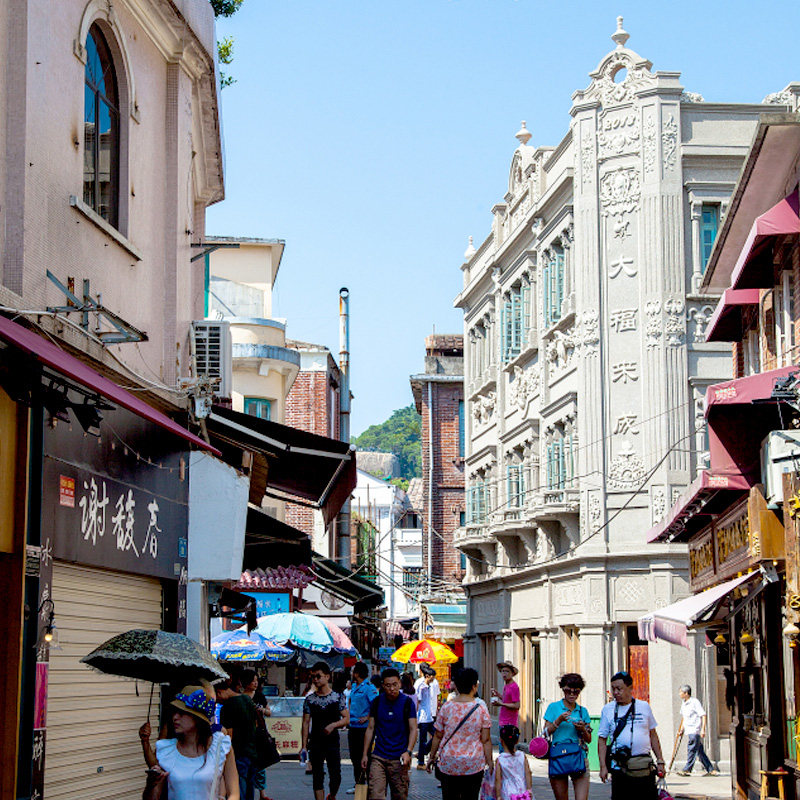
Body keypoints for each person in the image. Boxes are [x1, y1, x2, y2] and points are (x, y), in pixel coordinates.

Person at [151, 683, 240, 800]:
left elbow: (234, 793)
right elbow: (153, 796)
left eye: (182, 713)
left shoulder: (220, 745)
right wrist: (151, 783)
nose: (175, 717)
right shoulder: (167, 749)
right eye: (174, 712)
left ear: (198, 718)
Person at [426, 667, 493, 800]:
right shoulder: (481, 709)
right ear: (474, 686)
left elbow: (437, 736)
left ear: (456, 686)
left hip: (449, 763)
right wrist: (490, 762)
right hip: (473, 764)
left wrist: (431, 757)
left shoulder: (446, 707)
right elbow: (486, 740)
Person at [598, 671, 665, 800]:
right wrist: (603, 767)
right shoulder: (608, 710)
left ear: (630, 688)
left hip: (643, 767)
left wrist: (660, 760)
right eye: (613, 689)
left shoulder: (644, 706)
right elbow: (602, 740)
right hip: (620, 768)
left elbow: (653, 735)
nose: (616, 692)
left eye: (619, 689)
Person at [360, 668, 418, 800]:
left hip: (399, 759)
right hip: (378, 757)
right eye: (388, 685)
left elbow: (413, 728)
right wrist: (365, 754)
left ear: (400, 683)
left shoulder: (407, 703)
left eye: (395, 684)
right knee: (375, 795)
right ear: (383, 685)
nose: (392, 688)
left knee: (400, 795)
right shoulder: (377, 702)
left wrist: (408, 751)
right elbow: (370, 728)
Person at [301, 660, 350, 800]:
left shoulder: (337, 697)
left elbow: (347, 718)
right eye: (313, 677)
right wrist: (304, 746)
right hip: (315, 742)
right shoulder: (310, 700)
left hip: (332, 742)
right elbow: (305, 723)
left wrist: (334, 725)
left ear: (327, 676)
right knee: (317, 776)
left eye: (318, 676)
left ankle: (332, 795)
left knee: (335, 775)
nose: (315, 680)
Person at [542, 673, 591, 800]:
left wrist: (582, 729)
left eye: (576, 692)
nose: (572, 695)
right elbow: (545, 733)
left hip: (579, 756)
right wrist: (558, 720)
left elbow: (589, 739)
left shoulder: (582, 711)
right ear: (563, 689)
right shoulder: (553, 707)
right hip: (559, 756)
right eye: (568, 691)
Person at [221, 670, 260, 800]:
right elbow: (256, 724)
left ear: (221, 691)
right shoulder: (247, 699)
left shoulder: (227, 706)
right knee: (249, 788)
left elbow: (229, 735)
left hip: (238, 754)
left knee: (238, 789)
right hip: (252, 751)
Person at [346, 661, 379, 794]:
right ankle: (359, 784)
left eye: (353, 670)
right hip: (353, 726)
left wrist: (367, 717)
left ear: (357, 673)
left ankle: (370, 786)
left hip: (364, 728)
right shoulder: (354, 686)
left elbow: (376, 704)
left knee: (365, 757)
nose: (351, 673)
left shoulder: (369, 688)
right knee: (354, 757)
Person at [675, 685, 719, 777]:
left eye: (681, 692)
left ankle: (687, 769)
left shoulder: (694, 702)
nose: (679, 694)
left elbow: (703, 715)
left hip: (694, 730)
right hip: (688, 730)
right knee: (699, 751)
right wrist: (681, 729)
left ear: (686, 693)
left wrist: (703, 729)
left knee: (691, 749)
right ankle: (710, 769)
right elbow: (684, 718)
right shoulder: (684, 703)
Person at [494, 725, 533, 800]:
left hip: (507, 792)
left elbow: (497, 779)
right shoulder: (522, 756)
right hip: (522, 790)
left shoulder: (500, 760)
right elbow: (528, 773)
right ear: (517, 741)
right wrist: (529, 790)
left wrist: (498, 795)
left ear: (501, 740)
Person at [414, 665, 440, 770]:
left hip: (429, 716)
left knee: (436, 735)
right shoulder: (422, 686)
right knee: (423, 740)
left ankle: (424, 752)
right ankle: (421, 761)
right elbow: (418, 701)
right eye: (432, 677)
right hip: (423, 717)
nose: (433, 679)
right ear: (427, 676)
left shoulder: (429, 686)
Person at [491, 662, 520, 728]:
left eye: (507, 671)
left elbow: (517, 705)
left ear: (512, 673)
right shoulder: (506, 685)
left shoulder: (514, 687)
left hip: (509, 723)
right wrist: (498, 695)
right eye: (503, 671)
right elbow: (507, 700)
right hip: (503, 721)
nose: (504, 673)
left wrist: (501, 704)